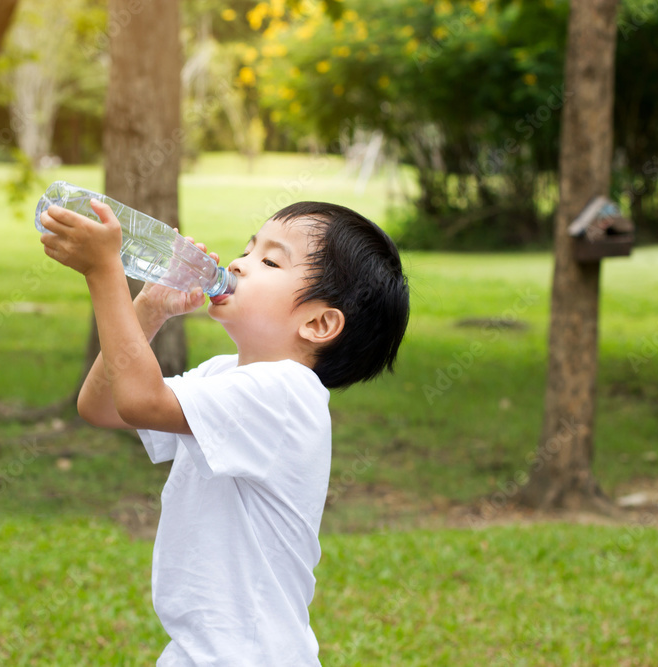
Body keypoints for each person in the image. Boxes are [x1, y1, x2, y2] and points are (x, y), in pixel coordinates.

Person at [39, 198, 409, 666]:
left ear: (318, 323)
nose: (238, 264)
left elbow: (139, 400)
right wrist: (148, 310)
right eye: (249, 249)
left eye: (270, 261)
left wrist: (105, 272)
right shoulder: (225, 375)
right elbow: (105, 407)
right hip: (199, 652)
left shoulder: (287, 395)